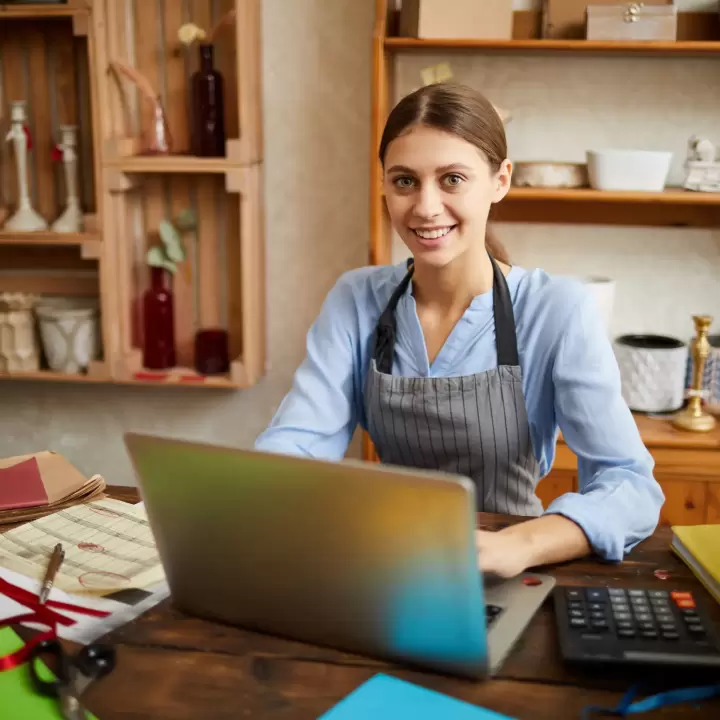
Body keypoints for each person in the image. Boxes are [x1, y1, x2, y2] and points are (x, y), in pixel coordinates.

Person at [255, 82, 664, 579]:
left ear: (500, 181)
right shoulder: (357, 300)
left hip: (507, 572)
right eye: (404, 181)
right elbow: (295, 445)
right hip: (390, 564)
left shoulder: (557, 310)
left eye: (452, 179)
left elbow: (631, 485)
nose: (425, 207)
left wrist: (522, 544)